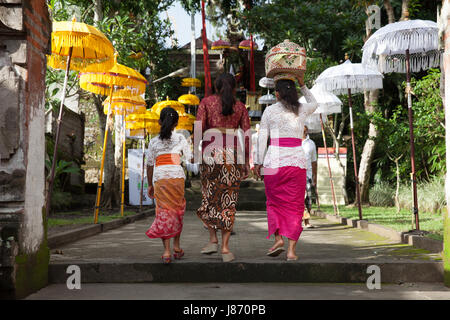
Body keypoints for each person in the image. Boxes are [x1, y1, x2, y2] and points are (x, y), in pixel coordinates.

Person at [253, 76, 317, 261]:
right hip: (296, 162)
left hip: (274, 162)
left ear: (278, 94)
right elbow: (314, 102)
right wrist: (303, 84)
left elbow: (262, 139)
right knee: (296, 206)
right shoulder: (302, 109)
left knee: (274, 203)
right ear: (294, 92)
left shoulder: (270, 111)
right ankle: (291, 251)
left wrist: (257, 162)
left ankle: (278, 238)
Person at [196, 73, 251, 263]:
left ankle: (212, 240)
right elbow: (246, 136)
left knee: (210, 197)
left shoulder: (206, 102)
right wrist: (246, 163)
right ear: (234, 87)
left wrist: (196, 154)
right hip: (232, 155)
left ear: (216, 86)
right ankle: (226, 248)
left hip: (210, 154)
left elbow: (198, 129)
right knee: (228, 201)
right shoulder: (240, 106)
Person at [145, 107, 192, 264]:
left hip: (160, 179)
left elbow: (150, 165)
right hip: (177, 177)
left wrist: (150, 184)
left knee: (164, 212)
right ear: (176, 123)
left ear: (159, 122)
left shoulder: (153, 141)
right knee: (177, 211)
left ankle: (166, 252)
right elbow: (190, 158)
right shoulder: (180, 138)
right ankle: (177, 247)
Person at [302, 125, 317, 228]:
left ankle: (306, 221)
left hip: (307, 175)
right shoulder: (292, 142)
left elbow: (314, 161)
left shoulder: (311, 144)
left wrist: (314, 175)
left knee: (308, 199)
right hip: (294, 174)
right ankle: (302, 221)